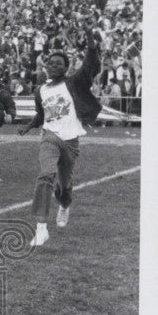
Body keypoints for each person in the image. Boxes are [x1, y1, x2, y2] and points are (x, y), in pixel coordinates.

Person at [19, 24, 101, 246]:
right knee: (45, 175)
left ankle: (64, 204)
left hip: (71, 141)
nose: (53, 65)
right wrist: (29, 126)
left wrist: (91, 41)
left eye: (58, 63)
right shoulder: (40, 90)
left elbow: (90, 65)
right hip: (50, 137)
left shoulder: (74, 82)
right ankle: (41, 228)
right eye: (50, 62)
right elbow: (41, 114)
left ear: (66, 68)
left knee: (64, 185)